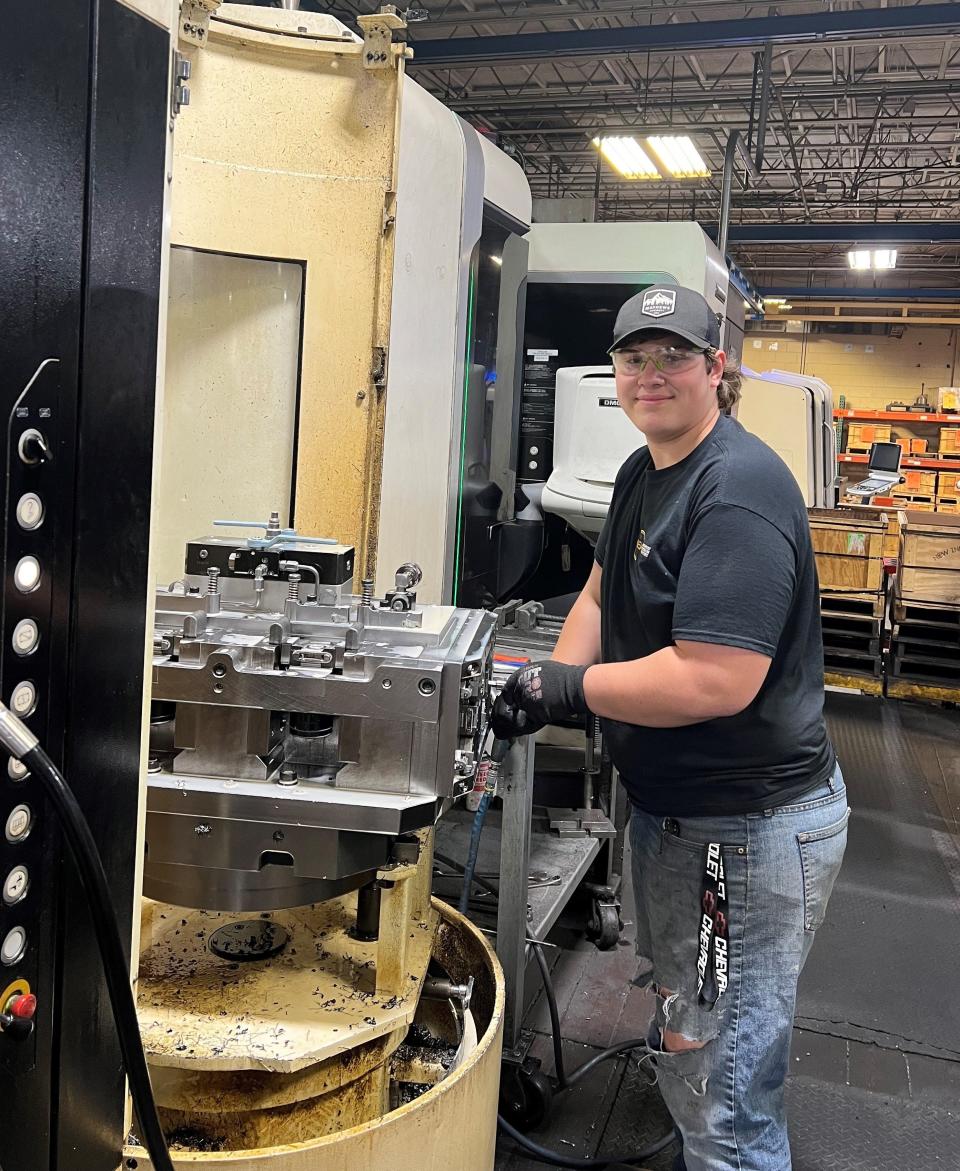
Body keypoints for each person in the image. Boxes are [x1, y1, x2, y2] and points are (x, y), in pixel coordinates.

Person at [491, 284, 849, 1171]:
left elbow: (714, 677)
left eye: (673, 356)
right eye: (634, 358)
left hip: (749, 833)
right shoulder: (644, 470)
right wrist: (543, 678)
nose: (652, 375)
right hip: (682, 818)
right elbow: (602, 589)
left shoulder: (737, 489)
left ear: (714, 370)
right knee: (695, 1031)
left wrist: (568, 693)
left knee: (728, 1093)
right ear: (615, 374)